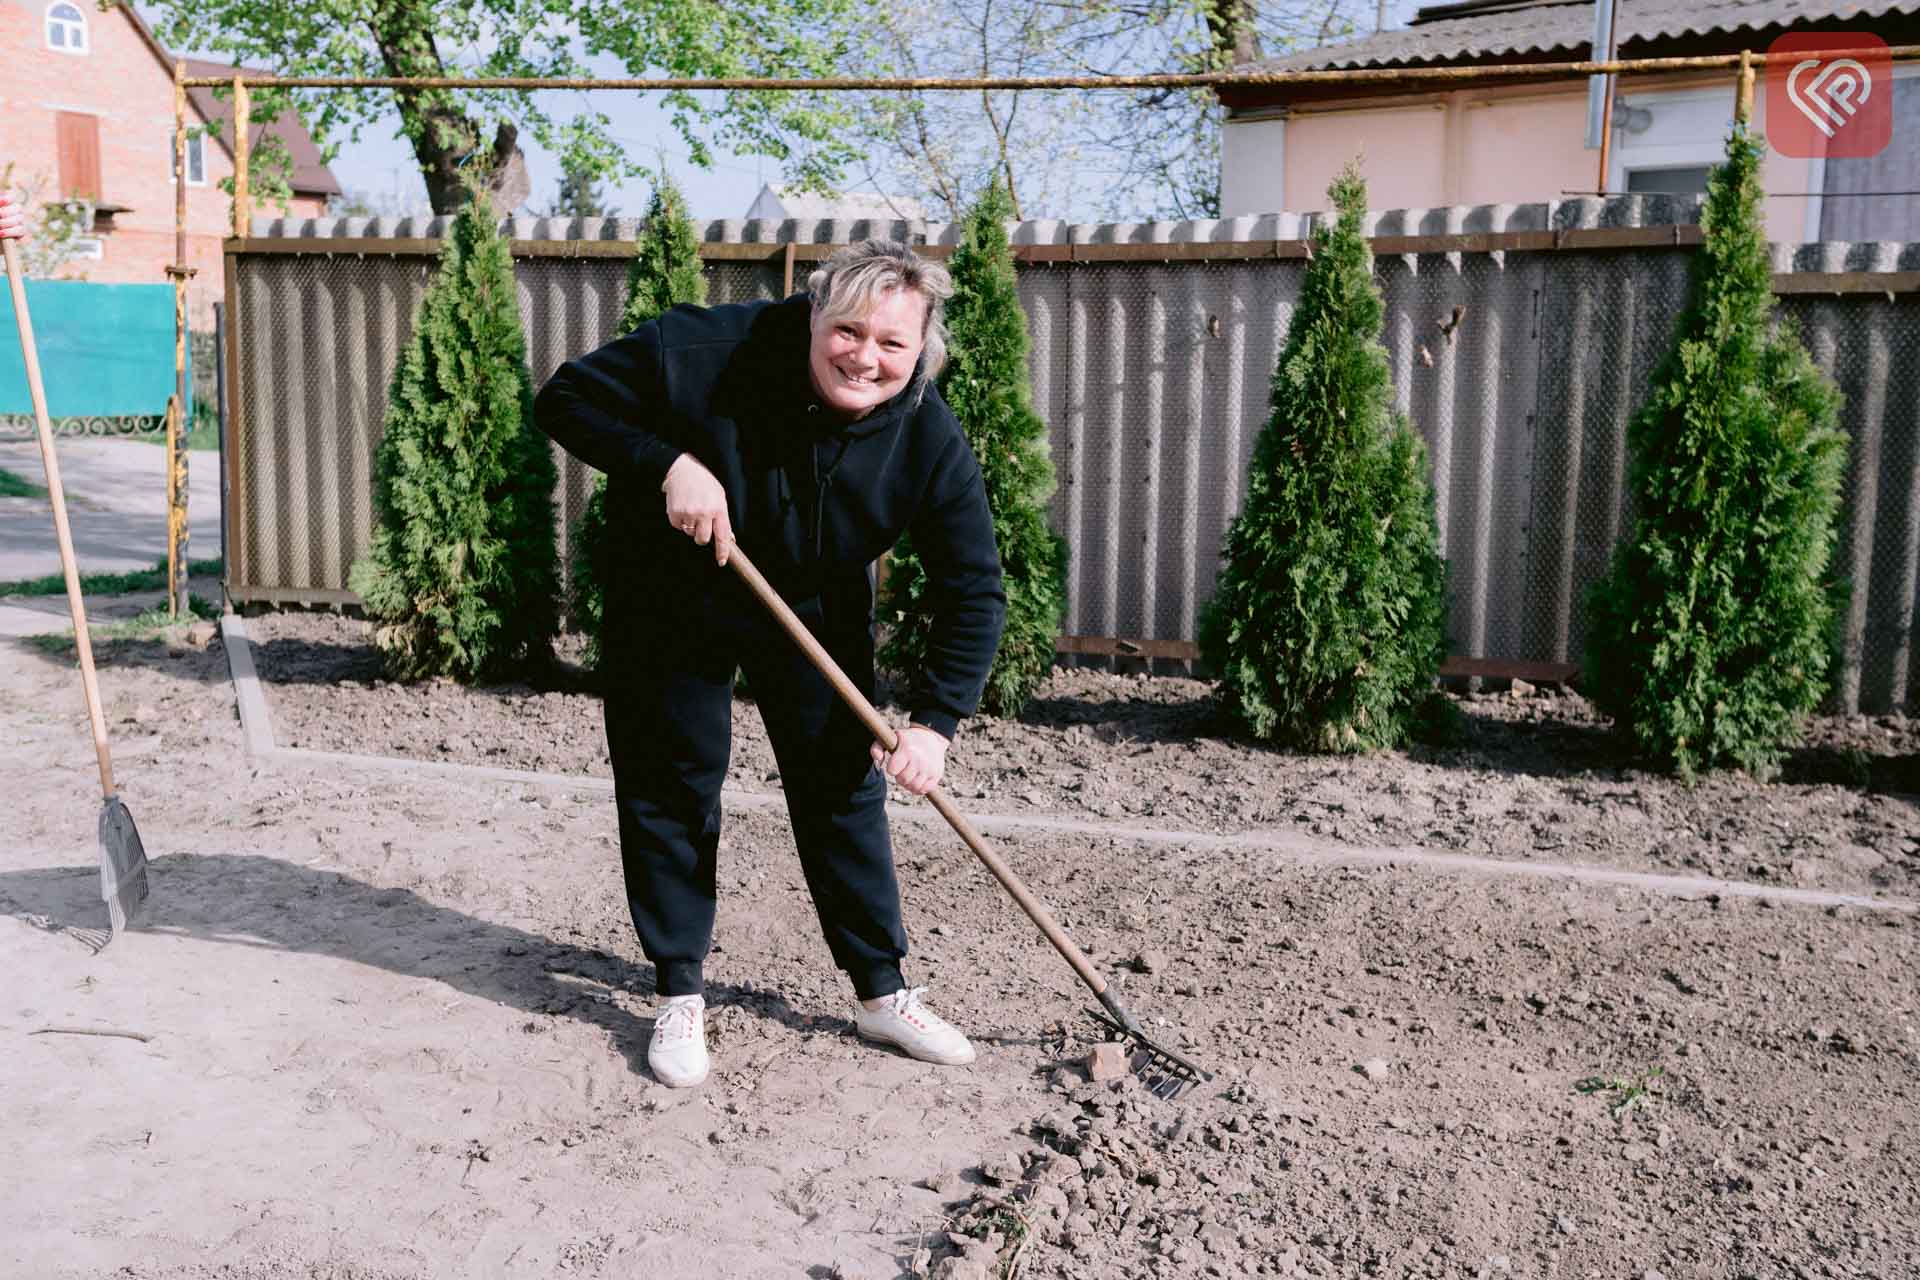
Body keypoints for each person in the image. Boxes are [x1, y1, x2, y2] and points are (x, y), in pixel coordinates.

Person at [535, 240, 1007, 1089]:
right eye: (848, 331)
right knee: (672, 780)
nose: (865, 356)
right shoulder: (706, 350)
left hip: (816, 611)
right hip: (675, 589)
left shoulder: (927, 436)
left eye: (891, 344)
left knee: (841, 787)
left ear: (923, 348)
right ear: (813, 315)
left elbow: (974, 586)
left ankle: (880, 992)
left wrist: (936, 722)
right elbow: (565, 398)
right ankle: (679, 991)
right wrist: (668, 463)